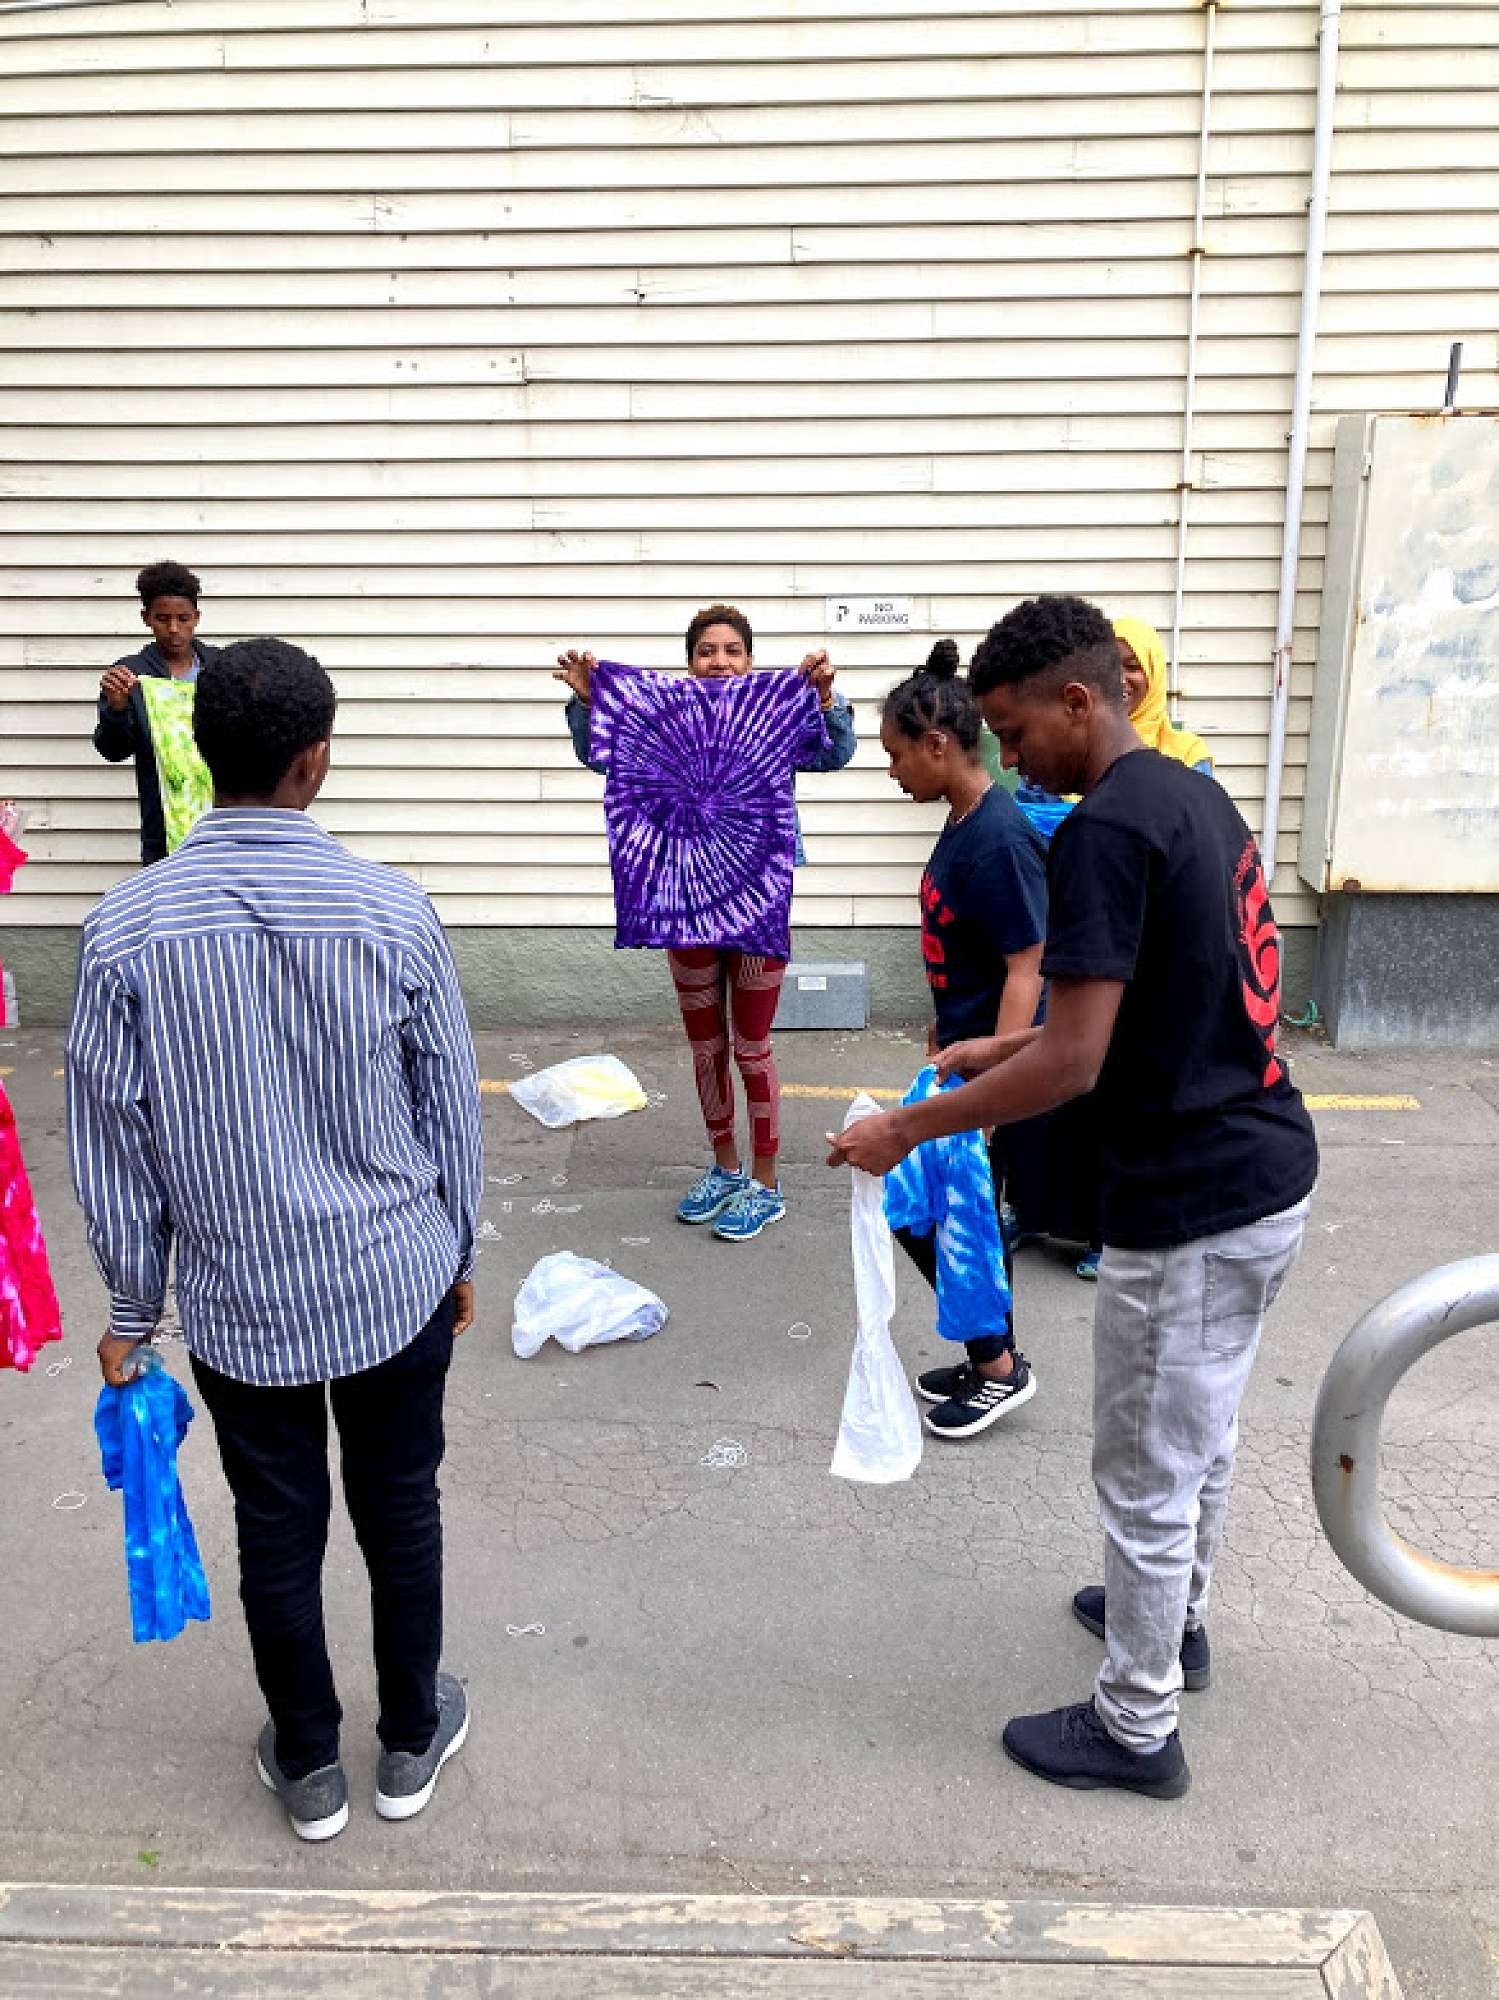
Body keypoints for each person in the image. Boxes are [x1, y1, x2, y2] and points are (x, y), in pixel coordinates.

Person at [831, 595, 1317, 1801]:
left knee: (1145, 1468)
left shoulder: (1100, 829)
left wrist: (905, 1126)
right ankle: (1174, 1622)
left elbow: (1073, 1062)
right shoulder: (1192, 795)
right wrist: (994, 1048)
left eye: (1013, 730)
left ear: (1078, 700)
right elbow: (1151, 996)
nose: (1008, 757)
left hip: (1189, 1199)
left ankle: (1134, 1721)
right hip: (1266, 1172)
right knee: (1199, 1432)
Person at [67, 639, 484, 1843]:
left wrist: (132, 1309)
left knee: (276, 1525)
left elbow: (113, 1145)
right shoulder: (393, 909)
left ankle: (307, 1760)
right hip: (391, 1277)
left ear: (198, 750)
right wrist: (458, 1251)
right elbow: (449, 1108)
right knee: (399, 1509)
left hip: (240, 1297)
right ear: (317, 759)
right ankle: (409, 1738)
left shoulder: (122, 929)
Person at [555, 603, 856, 1243]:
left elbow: (835, 754)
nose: (720, 662)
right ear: (689, 662)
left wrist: (824, 700)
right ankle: (724, 1167)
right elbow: (602, 754)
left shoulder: (770, 710)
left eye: (732, 651)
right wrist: (588, 701)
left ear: (750, 660)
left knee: (751, 1046)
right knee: (705, 1046)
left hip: (756, 898)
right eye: (706, 651)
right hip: (682, 897)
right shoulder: (664, 720)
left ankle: (766, 1183)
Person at [879, 640, 1046, 1438]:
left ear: (938, 744)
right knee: (933, 1207)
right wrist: (944, 1019)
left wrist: (994, 1086)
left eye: (896, 754)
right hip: (962, 1050)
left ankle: (999, 1368)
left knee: (950, 1212)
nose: (891, 771)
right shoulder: (964, 821)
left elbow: (1027, 964)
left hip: (992, 1068)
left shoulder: (999, 839)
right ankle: (991, 1354)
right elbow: (971, 944)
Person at [94, 561, 222, 866]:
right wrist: (117, 708)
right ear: (146, 618)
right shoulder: (130, 675)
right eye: (163, 619)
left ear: (197, 617)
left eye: (183, 618)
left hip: (223, 820)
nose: (174, 629)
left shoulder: (221, 667)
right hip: (162, 828)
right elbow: (113, 750)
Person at [1114, 615, 1214, 774]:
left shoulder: (1187, 755)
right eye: (1110, 667)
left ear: (1154, 675)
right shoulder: (1082, 750)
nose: (1119, 679)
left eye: (1132, 667)